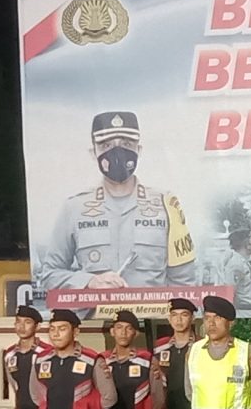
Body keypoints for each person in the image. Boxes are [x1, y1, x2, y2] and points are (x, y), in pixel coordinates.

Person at [32, 110, 197, 291]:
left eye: (127, 144)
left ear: (139, 150)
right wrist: (89, 282)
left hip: (150, 317)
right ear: (93, 153)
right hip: (94, 318)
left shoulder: (166, 205)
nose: (117, 152)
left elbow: (184, 282)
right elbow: (50, 276)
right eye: (105, 145)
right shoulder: (74, 208)